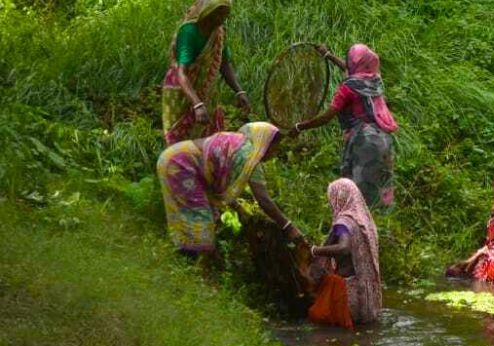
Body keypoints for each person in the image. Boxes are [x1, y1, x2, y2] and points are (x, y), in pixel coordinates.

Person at [157, 122, 303, 255]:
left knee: (202, 217)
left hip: (174, 157)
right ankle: (194, 268)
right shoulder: (249, 156)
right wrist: (288, 226)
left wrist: (238, 208)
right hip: (180, 165)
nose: (274, 154)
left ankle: (186, 261)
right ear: (266, 142)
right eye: (274, 148)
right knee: (200, 221)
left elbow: (218, 176)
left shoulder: (237, 144)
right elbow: (264, 200)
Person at [292, 44, 399, 213]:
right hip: (383, 138)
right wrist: (329, 55)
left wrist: (300, 127)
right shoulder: (374, 79)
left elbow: (327, 116)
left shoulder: (348, 89)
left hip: (363, 141)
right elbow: (350, 69)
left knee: (357, 189)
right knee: (379, 182)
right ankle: (380, 222)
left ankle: (356, 223)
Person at [161, 0, 251, 145]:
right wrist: (197, 104)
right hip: (182, 91)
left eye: (224, 13)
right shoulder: (189, 32)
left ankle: (205, 166)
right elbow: (181, 73)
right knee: (180, 141)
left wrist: (239, 91)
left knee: (209, 141)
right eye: (217, 12)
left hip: (206, 91)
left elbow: (224, 64)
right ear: (207, 11)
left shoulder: (218, 32)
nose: (221, 18)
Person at [307, 179, 383, 329]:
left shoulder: (342, 224)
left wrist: (315, 250)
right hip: (365, 292)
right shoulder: (364, 222)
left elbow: (343, 248)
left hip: (346, 291)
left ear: (338, 197)